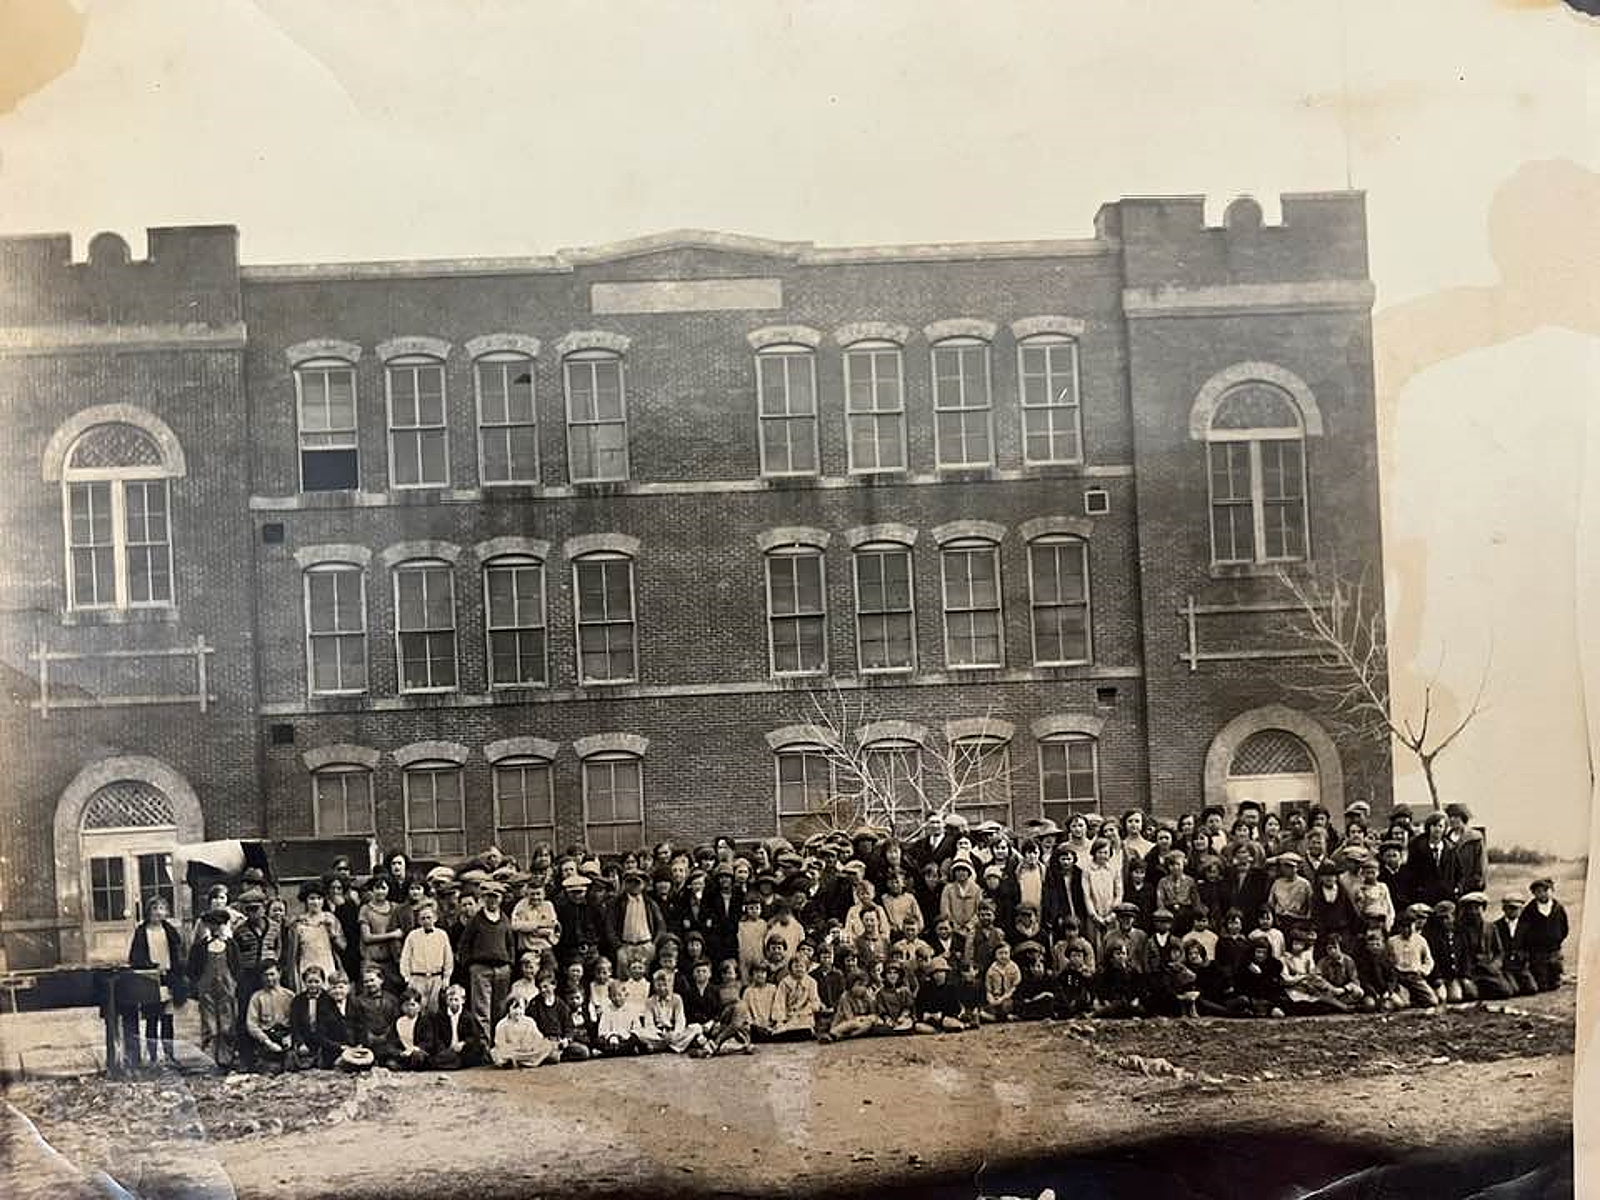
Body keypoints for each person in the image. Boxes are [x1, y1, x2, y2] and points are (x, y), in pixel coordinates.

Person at [125, 895, 188, 1073]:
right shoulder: (142, 931)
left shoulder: (170, 931)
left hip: (169, 978)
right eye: (154, 909)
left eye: (161, 909)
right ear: (148, 911)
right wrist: (150, 966)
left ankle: (169, 1055)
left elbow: (179, 954)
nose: (158, 913)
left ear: (166, 912)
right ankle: (152, 1058)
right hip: (150, 978)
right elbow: (135, 958)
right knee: (152, 1019)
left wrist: (177, 973)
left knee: (167, 1019)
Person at [458, 881, 517, 1038]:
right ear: (484, 899)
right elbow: (464, 944)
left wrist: (510, 963)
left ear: (501, 899)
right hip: (481, 969)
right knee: (481, 1010)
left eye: (495, 897)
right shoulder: (476, 920)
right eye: (489, 897)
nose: (492, 901)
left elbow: (511, 943)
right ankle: (484, 1045)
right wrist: (470, 964)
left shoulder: (505, 919)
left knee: (500, 1009)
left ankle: (499, 1042)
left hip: (502, 970)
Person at [189, 909, 241, 1070]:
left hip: (227, 988)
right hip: (206, 989)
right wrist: (197, 985)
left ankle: (226, 1058)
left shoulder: (230, 945)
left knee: (227, 1024)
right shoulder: (200, 946)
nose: (215, 928)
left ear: (224, 925)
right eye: (212, 925)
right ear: (207, 926)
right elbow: (192, 969)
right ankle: (209, 1058)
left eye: (219, 925)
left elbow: (237, 967)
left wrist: (234, 983)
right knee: (209, 1025)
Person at [1455, 892, 1514, 1001]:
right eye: (1470, 909)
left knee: (1506, 992)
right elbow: (1461, 956)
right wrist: (1465, 976)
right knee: (1471, 995)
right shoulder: (1461, 930)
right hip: (1472, 971)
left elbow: (1499, 951)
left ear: (1483, 909)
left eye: (1477, 908)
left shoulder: (1491, 927)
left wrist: (1495, 965)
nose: (1474, 912)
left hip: (1488, 969)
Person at [639, 969, 712, 1055]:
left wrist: (674, 1034)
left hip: (674, 1033)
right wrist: (660, 1034)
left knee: (696, 1028)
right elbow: (649, 1023)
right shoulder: (650, 1001)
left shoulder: (677, 998)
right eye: (659, 985)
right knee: (639, 1032)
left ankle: (662, 1047)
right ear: (654, 986)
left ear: (670, 985)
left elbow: (680, 1019)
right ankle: (675, 1047)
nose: (662, 988)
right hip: (658, 1035)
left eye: (665, 985)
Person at [286, 882, 344, 989]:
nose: (316, 902)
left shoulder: (330, 918)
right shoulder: (298, 923)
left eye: (319, 898)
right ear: (306, 901)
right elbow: (293, 955)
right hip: (306, 967)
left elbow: (342, 947)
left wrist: (332, 932)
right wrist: (295, 978)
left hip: (327, 966)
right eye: (312, 898)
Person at [399, 900, 454, 1012]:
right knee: (418, 1008)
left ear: (435, 918)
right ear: (419, 920)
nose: (426, 921)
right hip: (417, 978)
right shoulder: (413, 936)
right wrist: (407, 978)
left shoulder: (442, 935)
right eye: (423, 918)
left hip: (436, 978)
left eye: (429, 917)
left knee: (434, 1009)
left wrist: (446, 977)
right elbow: (405, 958)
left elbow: (448, 958)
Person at [244, 959, 296, 1072]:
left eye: (272, 974)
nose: (269, 978)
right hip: (267, 1037)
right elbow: (251, 1025)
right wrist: (267, 1041)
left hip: (286, 1036)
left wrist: (291, 1036)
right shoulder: (257, 997)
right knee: (267, 1067)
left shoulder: (290, 996)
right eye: (265, 975)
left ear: (279, 973)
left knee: (291, 1065)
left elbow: (297, 1021)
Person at [1519, 877, 1569, 992]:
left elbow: (1564, 928)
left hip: (1554, 950)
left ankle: (1556, 973)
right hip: (1537, 953)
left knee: (1555, 983)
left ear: (1550, 891)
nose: (1541, 894)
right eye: (1538, 892)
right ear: (1534, 893)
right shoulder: (1529, 910)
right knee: (1542, 985)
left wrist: (1557, 940)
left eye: (1544, 891)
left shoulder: (1558, 908)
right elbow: (1523, 931)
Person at [424, 983, 489, 1069]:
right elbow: (437, 1037)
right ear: (446, 1000)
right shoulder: (440, 1016)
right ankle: (447, 1061)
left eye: (456, 1000)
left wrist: (463, 1043)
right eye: (450, 1000)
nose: (453, 1003)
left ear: (463, 1000)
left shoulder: (468, 1017)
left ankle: (451, 1062)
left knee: (468, 1057)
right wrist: (444, 1049)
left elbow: (474, 1036)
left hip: (463, 1051)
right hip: (447, 1050)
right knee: (440, 1056)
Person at [1388, 905, 1440, 1008]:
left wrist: (1423, 971)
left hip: (1415, 976)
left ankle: (1416, 997)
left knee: (1432, 1001)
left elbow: (1428, 960)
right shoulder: (1392, 941)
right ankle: (1405, 995)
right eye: (1403, 927)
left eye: (1409, 926)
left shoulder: (1420, 940)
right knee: (1403, 1004)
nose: (1407, 930)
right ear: (1399, 927)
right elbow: (1388, 960)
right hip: (1399, 976)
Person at [491, 994, 556, 1067]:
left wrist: (532, 1045)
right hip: (511, 1051)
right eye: (514, 1008)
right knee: (495, 1052)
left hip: (528, 1051)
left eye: (521, 1008)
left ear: (525, 1009)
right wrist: (514, 1047)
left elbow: (538, 1038)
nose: (518, 1012)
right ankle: (517, 1061)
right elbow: (500, 1043)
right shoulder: (502, 1024)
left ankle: (523, 1061)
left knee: (547, 1045)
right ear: (508, 1009)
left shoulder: (530, 1021)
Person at [1493, 895, 1537, 994]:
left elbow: (1530, 947)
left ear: (1521, 910)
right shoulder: (1496, 926)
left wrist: (1523, 957)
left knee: (1532, 989)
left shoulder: (1526, 926)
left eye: (1516, 908)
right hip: (1505, 966)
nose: (1513, 911)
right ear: (1504, 909)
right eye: (1510, 908)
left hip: (1520, 966)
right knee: (1513, 990)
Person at [822, 971, 880, 1042]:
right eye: (859, 985)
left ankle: (846, 1036)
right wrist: (863, 1018)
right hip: (845, 1022)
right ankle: (834, 1032)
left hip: (862, 1022)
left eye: (864, 986)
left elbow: (873, 1013)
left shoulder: (866, 995)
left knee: (871, 1022)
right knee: (854, 1024)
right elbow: (849, 1017)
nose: (861, 988)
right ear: (851, 985)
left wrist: (871, 1000)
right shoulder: (845, 997)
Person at [914, 956, 967, 1033]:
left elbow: (955, 1009)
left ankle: (946, 1028)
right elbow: (919, 1007)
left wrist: (941, 1015)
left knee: (953, 1023)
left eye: (942, 972)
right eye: (937, 972)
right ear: (932, 974)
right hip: (929, 1021)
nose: (940, 975)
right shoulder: (925, 988)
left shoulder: (951, 988)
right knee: (918, 1026)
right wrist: (929, 1015)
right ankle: (936, 1031)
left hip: (945, 1019)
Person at [983, 941, 1021, 1022]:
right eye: (1000, 953)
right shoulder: (991, 970)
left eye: (1006, 953)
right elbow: (988, 990)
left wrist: (1002, 998)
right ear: (995, 955)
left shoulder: (1014, 968)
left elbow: (1014, 988)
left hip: (1009, 996)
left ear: (1010, 954)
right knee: (988, 1008)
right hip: (996, 997)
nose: (1003, 956)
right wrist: (992, 1000)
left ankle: (1003, 1016)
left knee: (1008, 1005)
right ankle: (998, 1017)